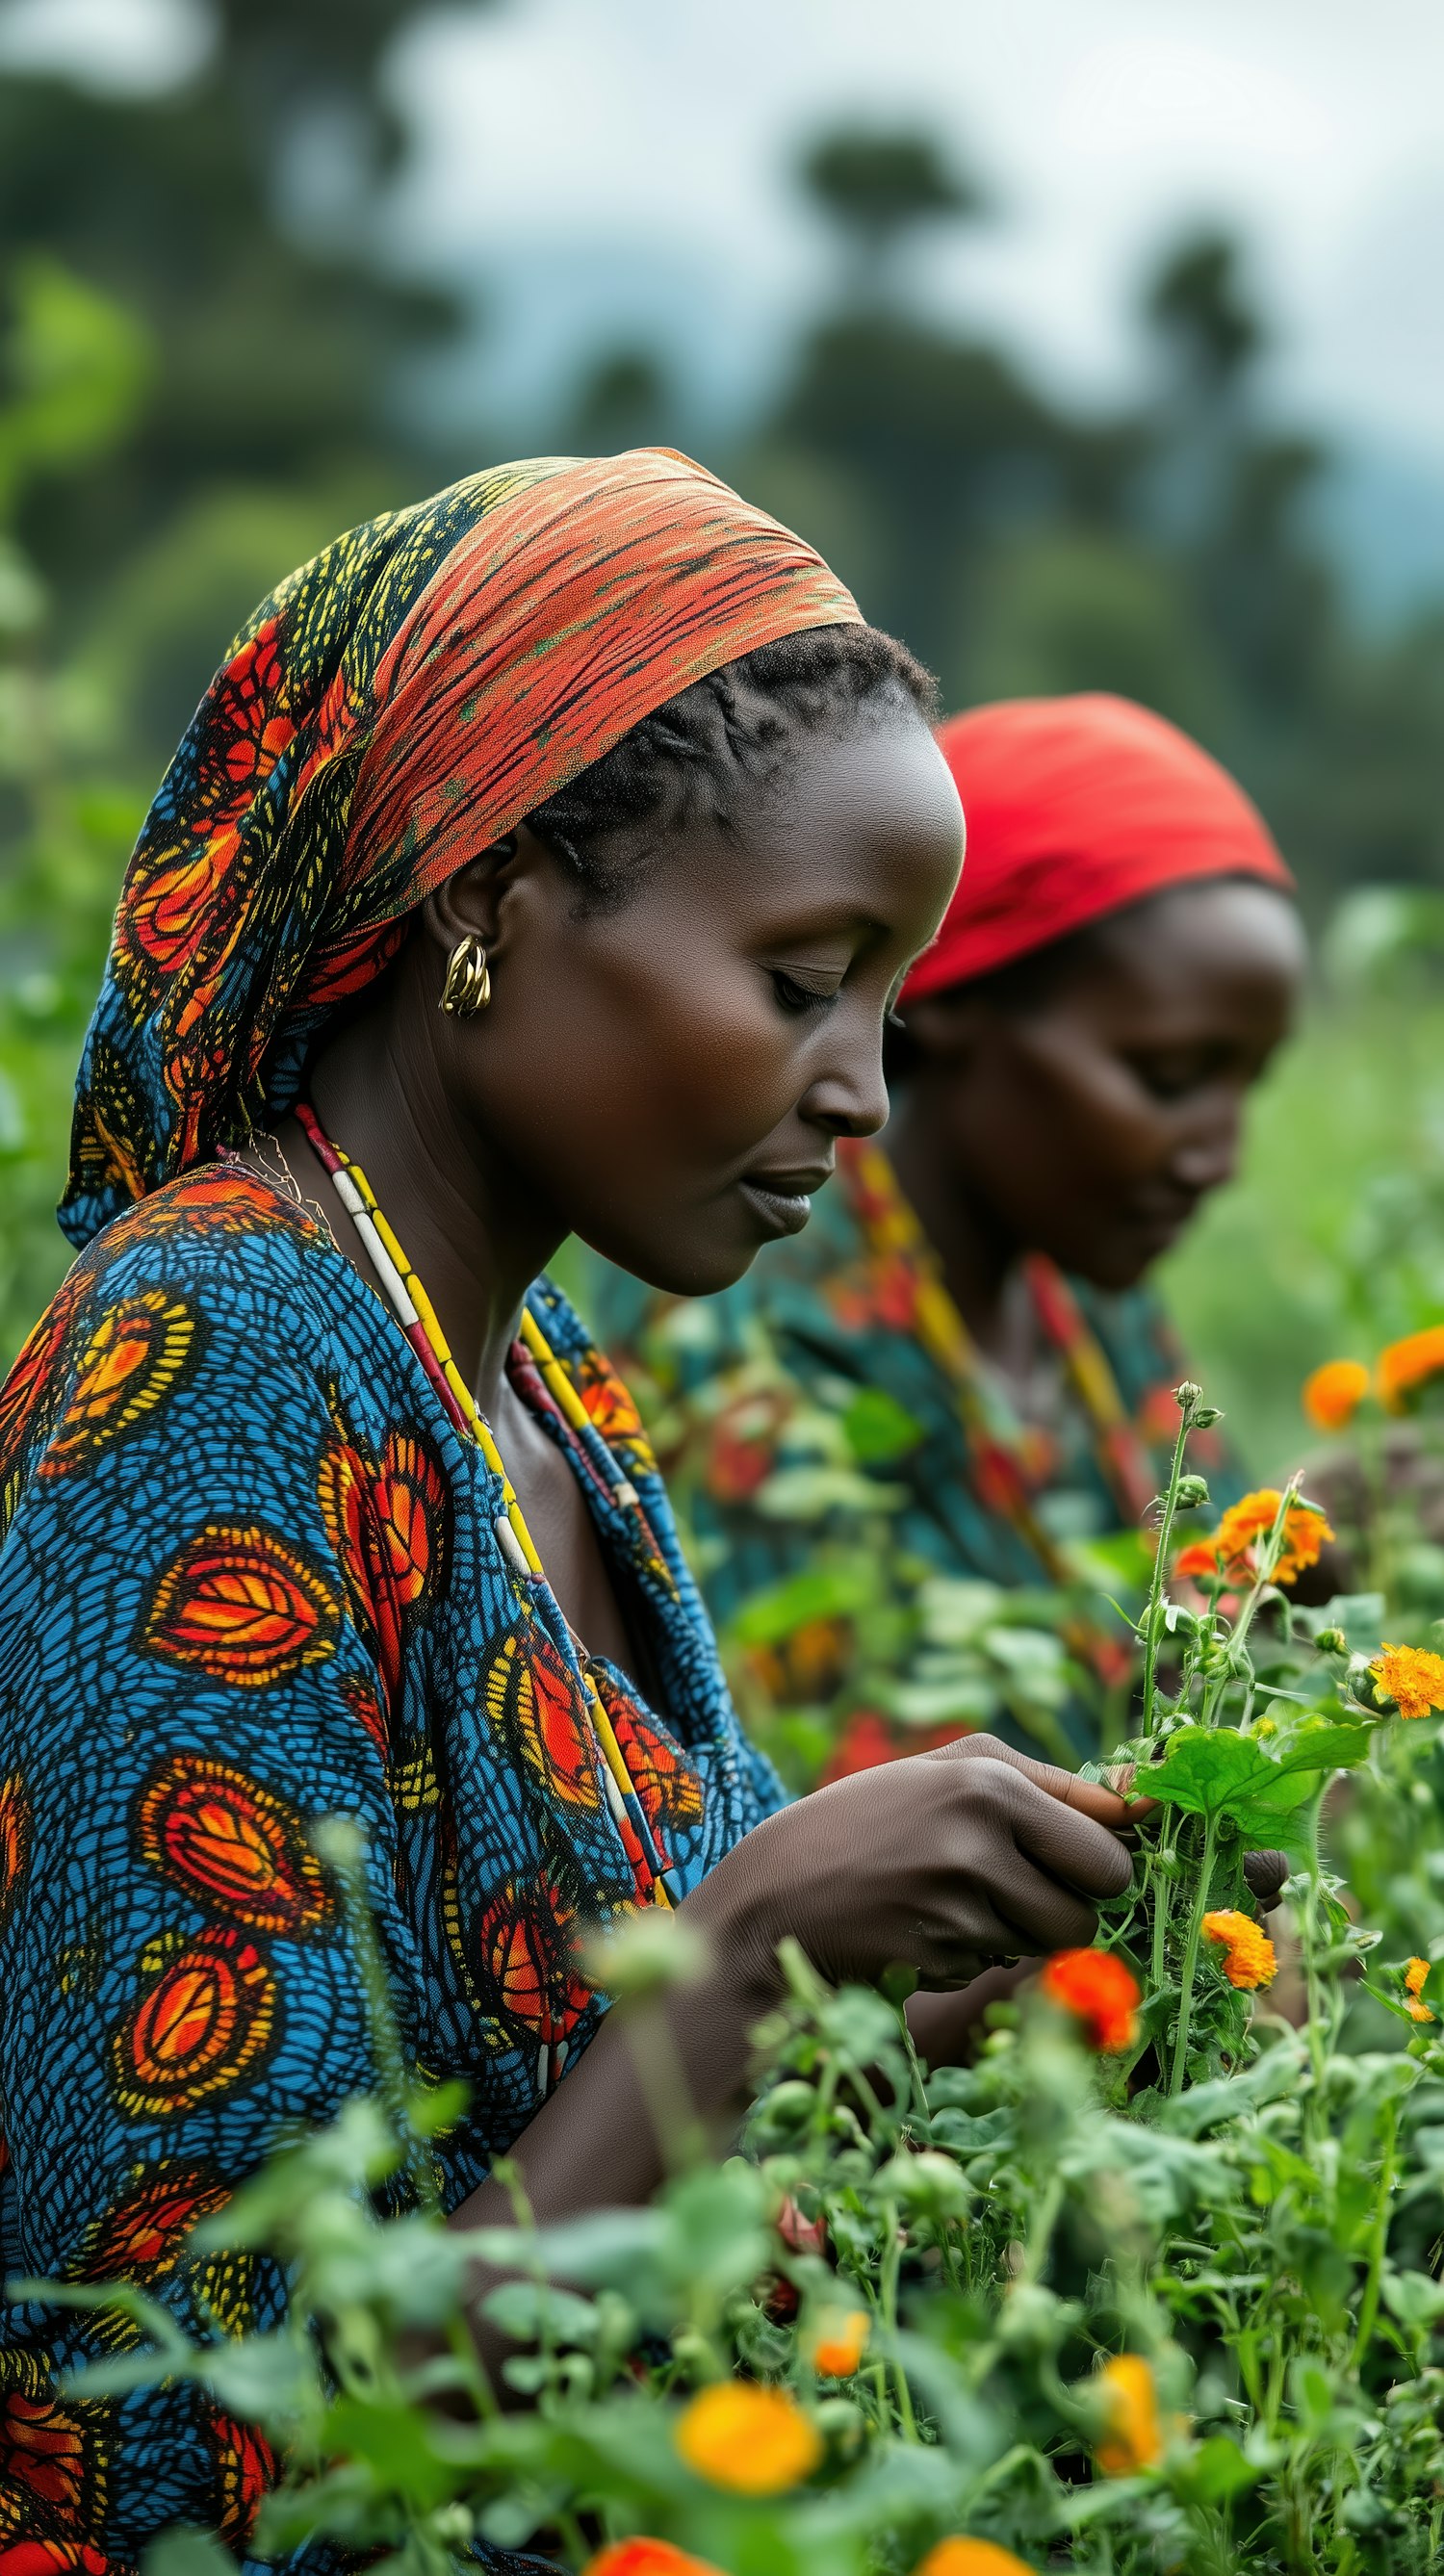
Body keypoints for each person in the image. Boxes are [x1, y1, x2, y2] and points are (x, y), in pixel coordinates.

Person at [0, 454, 1140, 2562]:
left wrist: (976, 1954)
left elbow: (599, 2133)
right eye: (802, 981)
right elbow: (192, 2449)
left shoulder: (540, 1394)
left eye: (890, 999)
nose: (864, 1089)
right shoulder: (216, 1367)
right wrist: (750, 1946)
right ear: (486, 902)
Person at [581, 693, 1306, 1780]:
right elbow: (844, 1790)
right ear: (949, 998)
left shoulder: (1084, 1289)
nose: (1221, 1154)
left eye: (1247, 1086)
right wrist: (1262, 1570)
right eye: (1167, 1078)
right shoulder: (737, 1311)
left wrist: (1297, 1552)